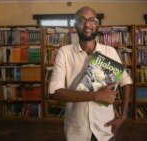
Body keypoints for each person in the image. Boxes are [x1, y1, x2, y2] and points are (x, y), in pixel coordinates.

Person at [49, 6, 132, 141]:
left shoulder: (109, 51)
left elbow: (126, 82)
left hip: (105, 129)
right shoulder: (64, 52)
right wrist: (96, 95)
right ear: (75, 25)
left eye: (92, 20)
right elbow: (54, 92)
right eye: (81, 20)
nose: (87, 24)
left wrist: (123, 116)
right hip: (76, 131)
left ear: (97, 24)